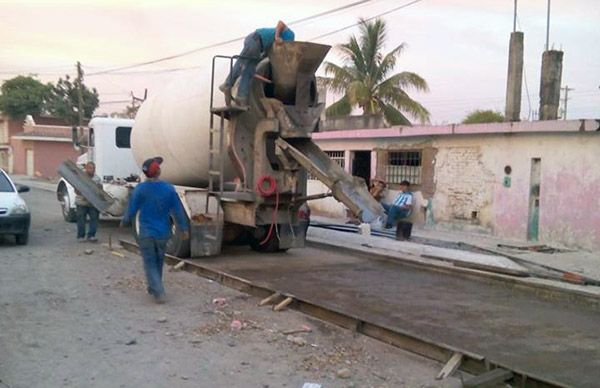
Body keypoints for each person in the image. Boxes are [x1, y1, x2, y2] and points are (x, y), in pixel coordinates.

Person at [122, 157, 189, 303]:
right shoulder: (168, 189)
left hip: (146, 233)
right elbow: (177, 211)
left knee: (149, 262)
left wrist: (125, 221)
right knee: (158, 261)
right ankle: (154, 288)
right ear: (158, 171)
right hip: (163, 233)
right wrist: (184, 228)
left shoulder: (140, 189)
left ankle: (158, 290)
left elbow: (132, 209)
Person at [220, 20, 295, 108]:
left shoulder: (274, 50)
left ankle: (241, 97)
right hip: (256, 39)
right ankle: (227, 84)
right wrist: (277, 36)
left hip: (259, 47)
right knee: (242, 63)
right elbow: (280, 23)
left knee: (249, 71)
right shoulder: (290, 36)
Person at [75, 161, 102, 242]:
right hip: (81, 202)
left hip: (93, 203)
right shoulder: (80, 177)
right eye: (90, 168)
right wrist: (84, 193)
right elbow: (76, 190)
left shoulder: (97, 179)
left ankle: (91, 235)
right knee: (81, 219)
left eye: (93, 168)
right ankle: (81, 236)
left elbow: (100, 191)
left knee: (94, 219)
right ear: (86, 168)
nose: (92, 170)